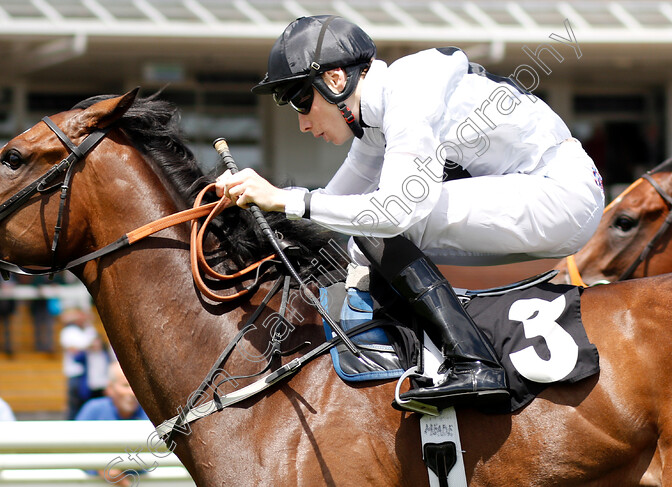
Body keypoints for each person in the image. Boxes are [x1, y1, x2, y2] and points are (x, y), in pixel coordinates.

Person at [215, 15, 605, 409]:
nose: (301, 123)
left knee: (383, 227)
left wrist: (283, 198)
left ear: (335, 80)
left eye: (301, 101)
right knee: (359, 237)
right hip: (546, 191)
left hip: (564, 194)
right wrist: (252, 207)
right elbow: (332, 207)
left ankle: (474, 362)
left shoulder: (409, 93)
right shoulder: (376, 116)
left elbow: (394, 212)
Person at [75, 362, 148, 421]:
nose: (132, 393)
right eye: (125, 386)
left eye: (137, 387)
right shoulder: (93, 410)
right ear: (110, 388)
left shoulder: (149, 415)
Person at [59, 308, 97, 419]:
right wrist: (88, 347)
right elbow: (73, 349)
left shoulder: (89, 330)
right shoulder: (69, 331)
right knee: (74, 405)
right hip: (74, 373)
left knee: (87, 403)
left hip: (90, 373)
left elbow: (96, 345)